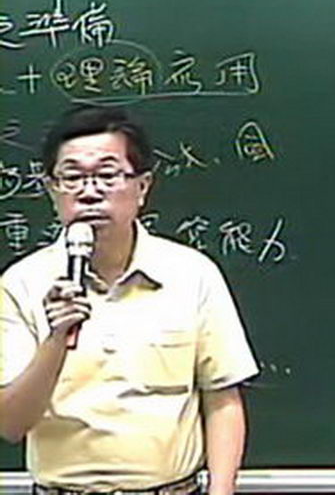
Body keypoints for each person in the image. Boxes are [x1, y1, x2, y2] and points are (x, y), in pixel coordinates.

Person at [0, 106, 259, 495]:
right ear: (53, 190)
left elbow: (222, 399)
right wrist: (56, 339)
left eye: (107, 175)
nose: (89, 192)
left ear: (142, 186)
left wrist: (221, 491)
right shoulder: (21, 283)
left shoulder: (192, 274)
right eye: (72, 177)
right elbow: (10, 424)